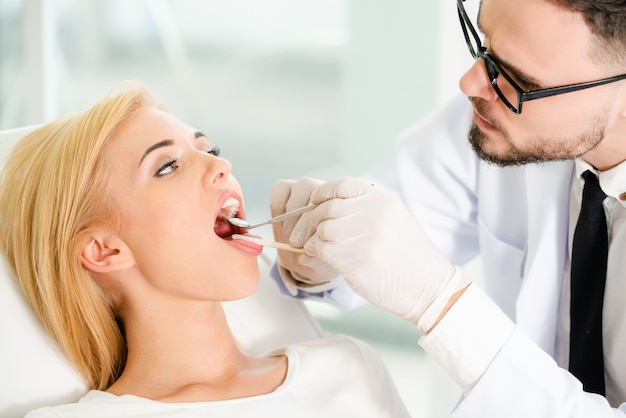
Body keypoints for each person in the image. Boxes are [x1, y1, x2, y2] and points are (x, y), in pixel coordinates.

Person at [269, 0, 626, 416]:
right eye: (484, 42)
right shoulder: (501, 122)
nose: (471, 83)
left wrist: (443, 305)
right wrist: (320, 255)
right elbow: (398, 216)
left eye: (517, 78)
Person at [0, 82, 410, 417]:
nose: (221, 166)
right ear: (104, 251)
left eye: (207, 150)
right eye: (167, 166)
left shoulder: (348, 368)